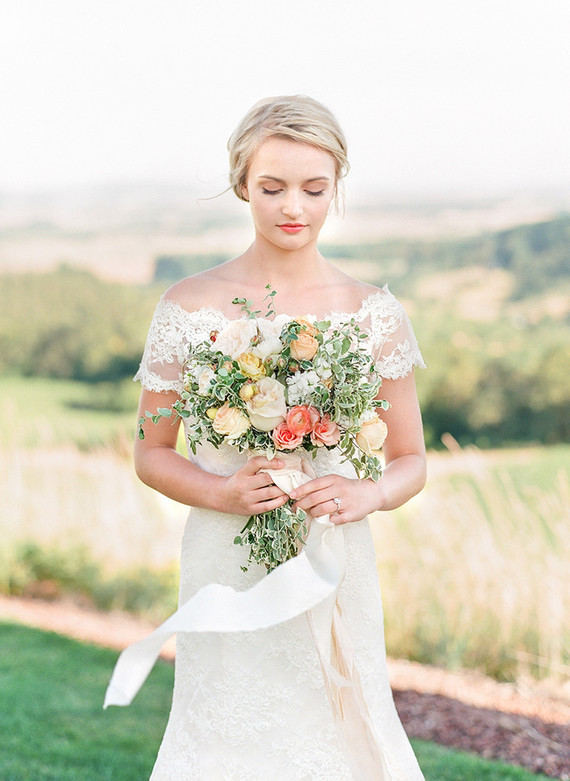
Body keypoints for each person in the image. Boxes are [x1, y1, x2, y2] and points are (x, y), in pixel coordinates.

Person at [130, 95, 426, 780]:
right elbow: (149, 451)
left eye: (314, 188)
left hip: (335, 557)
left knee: (339, 730)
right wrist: (221, 489)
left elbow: (412, 459)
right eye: (273, 187)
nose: (294, 206)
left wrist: (370, 492)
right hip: (225, 555)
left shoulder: (372, 315)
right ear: (242, 185)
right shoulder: (188, 307)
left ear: (336, 186)